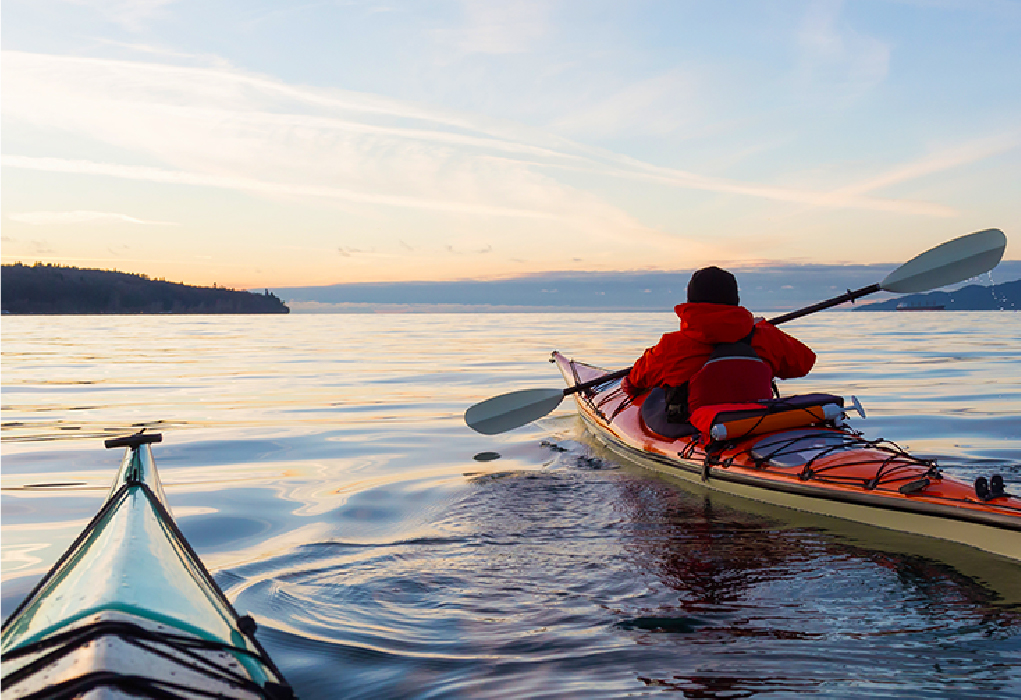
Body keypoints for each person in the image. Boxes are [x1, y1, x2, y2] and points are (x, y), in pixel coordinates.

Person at [622, 266, 815, 424]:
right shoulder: (765, 336)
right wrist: (764, 329)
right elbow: (804, 363)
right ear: (736, 300)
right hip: (755, 424)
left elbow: (634, 382)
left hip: (695, 431)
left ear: (690, 301)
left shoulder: (671, 346)